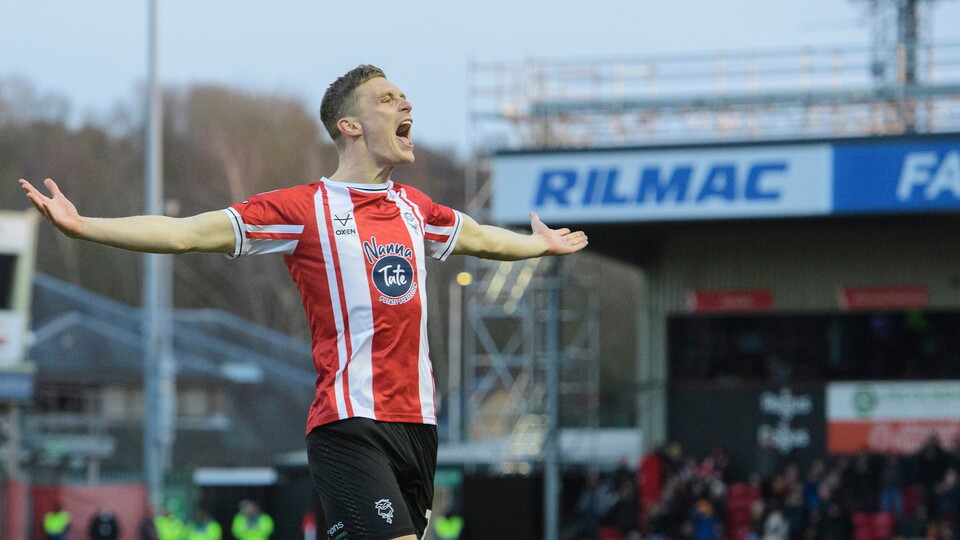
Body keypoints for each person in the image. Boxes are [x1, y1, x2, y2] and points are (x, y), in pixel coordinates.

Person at [19, 64, 588, 540]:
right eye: (386, 98)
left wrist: (538, 245)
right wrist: (84, 227)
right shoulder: (304, 208)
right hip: (350, 423)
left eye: (403, 96)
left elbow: (485, 239)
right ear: (350, 125)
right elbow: (186, 232)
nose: (404, 102)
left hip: (418, 425)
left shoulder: (414, 206)